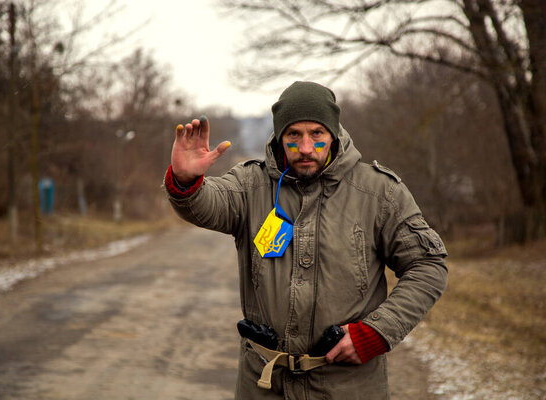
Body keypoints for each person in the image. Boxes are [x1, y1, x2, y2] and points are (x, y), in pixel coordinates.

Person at [163, 81, 448, 399]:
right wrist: (186, 180)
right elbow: (206, 204)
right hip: (264, 385)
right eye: (294, 135)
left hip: (348, 387)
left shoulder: (381, 193)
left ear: (334, 135)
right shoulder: (251, 186)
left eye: (317, 134)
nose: (306, 147)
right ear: (280, 139)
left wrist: (377, 331)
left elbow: (428, 265)